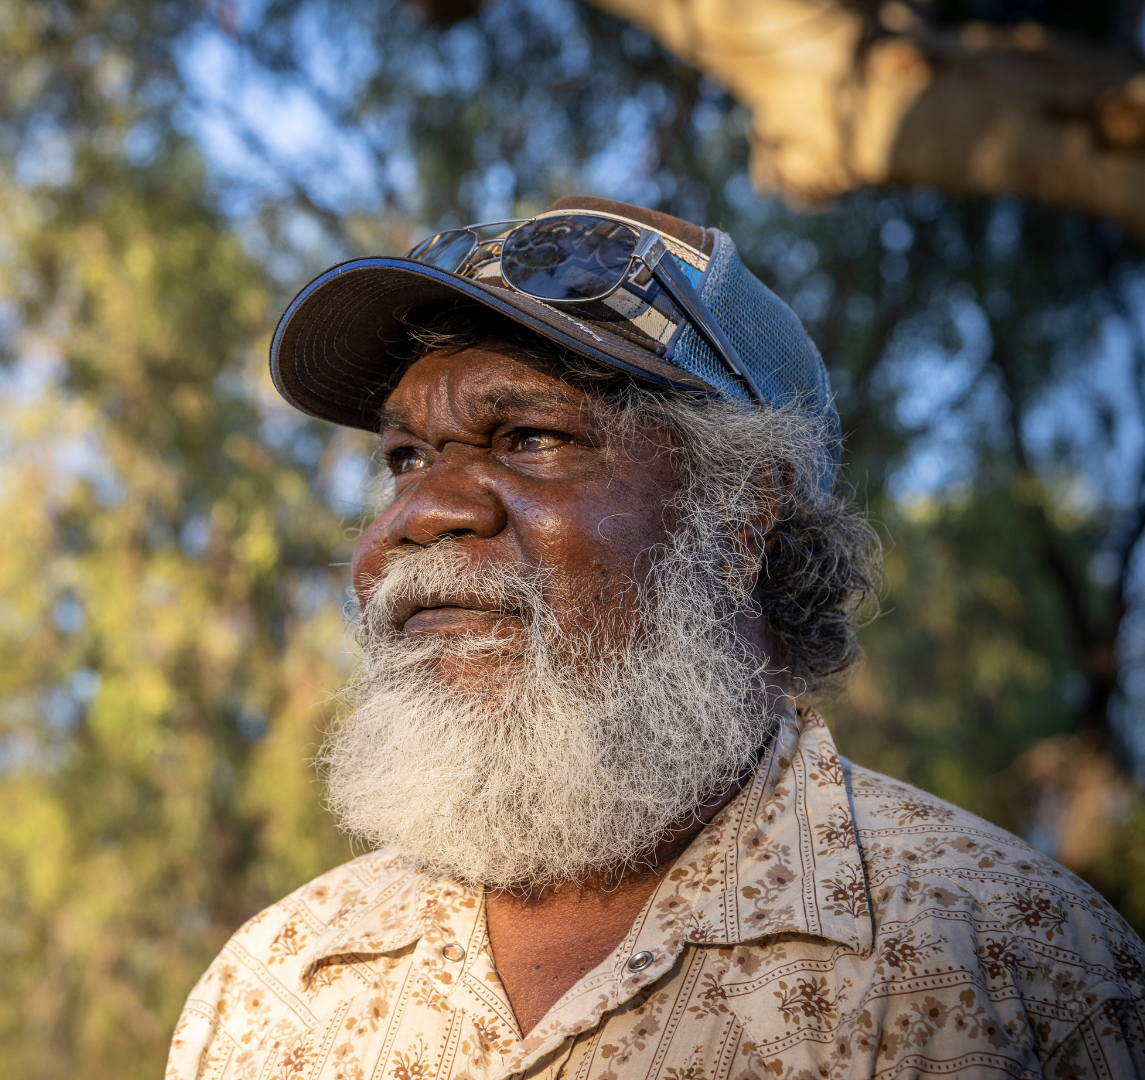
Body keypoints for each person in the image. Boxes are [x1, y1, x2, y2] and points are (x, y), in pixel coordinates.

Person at [165, 197, 1145, 1079]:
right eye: (406, 458)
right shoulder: (277, 988)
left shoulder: (1012, 964)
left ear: (741, 521)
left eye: (531, 438)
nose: (419, 515)